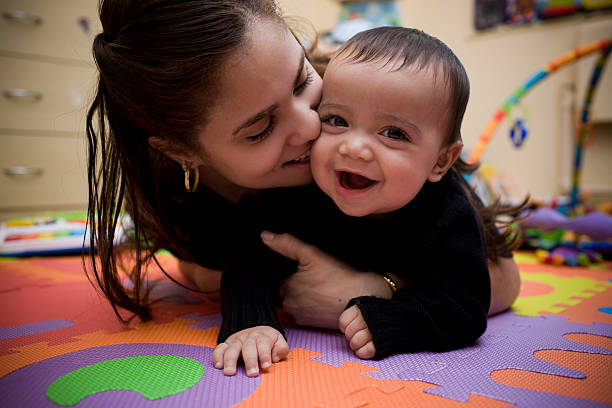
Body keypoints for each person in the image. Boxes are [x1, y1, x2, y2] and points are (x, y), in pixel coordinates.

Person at [85, 0, 522, 378]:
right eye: (260, 128)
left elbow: (498, 279)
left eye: (301, 83)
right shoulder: (171, 195)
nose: (313, 124)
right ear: (182, 152)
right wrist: (242, 304)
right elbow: (210, 266)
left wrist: (374, 289)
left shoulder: (361, 90)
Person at [212, 26, 527, 372]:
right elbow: (248, 261)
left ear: (440, 161)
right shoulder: (298, 194)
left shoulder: (447, 215)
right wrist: (251, 323)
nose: (354, 148)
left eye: (393, 133)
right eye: (337, 120)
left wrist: (390, 316)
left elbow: (465, 306)